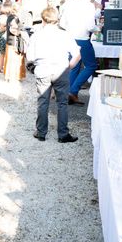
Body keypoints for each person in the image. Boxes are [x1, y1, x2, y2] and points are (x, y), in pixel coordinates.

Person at [27, 8, 81, 143]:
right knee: (62, 103)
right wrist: (68, 67)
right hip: (61, 69)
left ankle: (41, 132)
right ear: (57, 19)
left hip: (43, 69)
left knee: (42, 102)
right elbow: (77, 55)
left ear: (43, 19)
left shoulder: (36, 35)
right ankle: (63, 134)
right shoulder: (65, 35)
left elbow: (30, 57)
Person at [59, 0, 97, 106]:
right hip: (83, 39)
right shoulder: (89, 6)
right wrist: (99, 28)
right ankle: (73, 90)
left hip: (70, 38)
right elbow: (90, 26)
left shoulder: (70, 4)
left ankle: (68, 94)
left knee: (74, 66)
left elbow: (62, 23)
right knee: (91, 66)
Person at [4, 4, 27, 82]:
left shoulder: (10, 17)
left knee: (10, 60)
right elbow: (13, 30)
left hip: (10, 41)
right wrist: (21, 33)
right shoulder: (14, 18)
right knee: (15, 60)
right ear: (17, 10)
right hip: (14, 43)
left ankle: (9, 76)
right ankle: (14, 77)